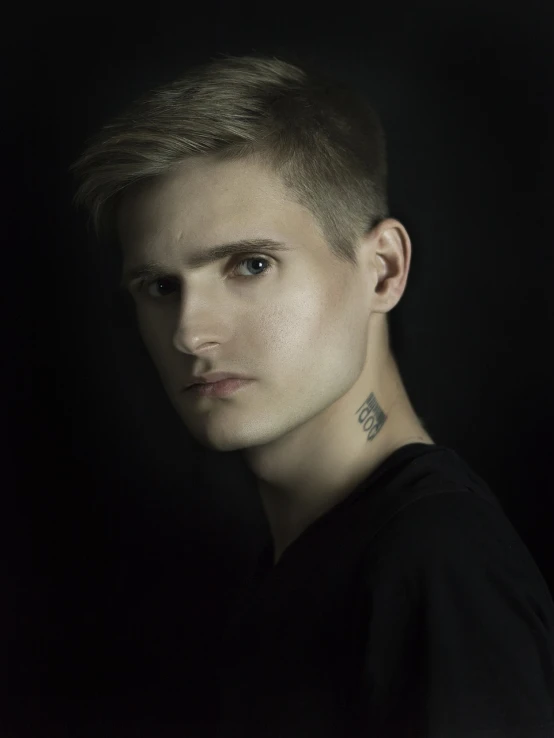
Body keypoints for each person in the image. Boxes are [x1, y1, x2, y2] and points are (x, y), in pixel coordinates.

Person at [69, 51, 554, 738]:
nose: (188, 332)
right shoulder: (300, 559)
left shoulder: (437, 568)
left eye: (251, 264)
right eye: (160, 287)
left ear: (382, 270)